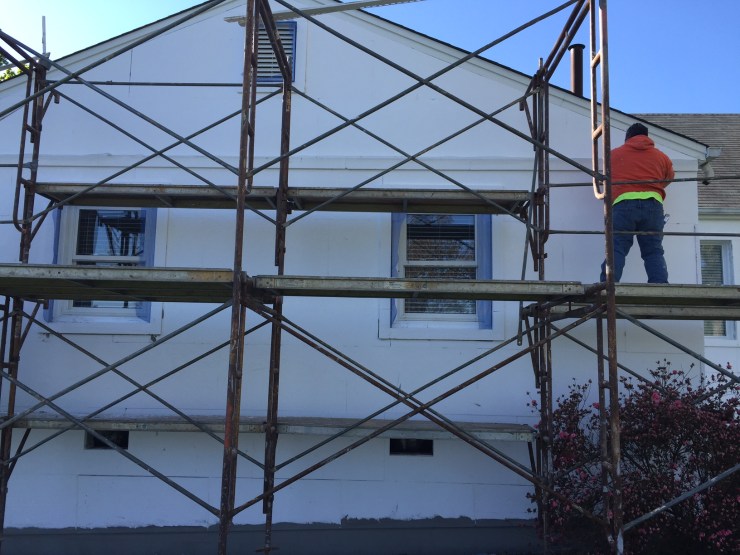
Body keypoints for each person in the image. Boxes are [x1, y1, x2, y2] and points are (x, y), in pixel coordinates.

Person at [599, 123, 675, 283]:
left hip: (623, 204)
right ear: (647, 137)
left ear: (628, 138)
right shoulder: (661, 157)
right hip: (653, 205)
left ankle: (608, 284)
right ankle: (660, 285)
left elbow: (604, 178)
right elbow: (668, 179)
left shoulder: (614, 154)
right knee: (653, 250)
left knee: (616, 247)